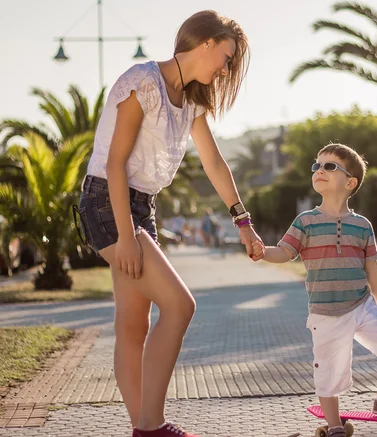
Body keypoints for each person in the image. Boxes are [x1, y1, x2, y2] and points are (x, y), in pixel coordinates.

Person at [75, 10, 265, 437]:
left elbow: (214, 163)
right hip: (108, 202)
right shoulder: (143, 81)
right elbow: (116, 163)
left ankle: (141, 427)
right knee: (180, 306)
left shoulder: (193, 100)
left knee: (132, 324)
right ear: (206, 43)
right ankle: (152, 427)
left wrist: (243, 221)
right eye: (226, 56)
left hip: (141, 206)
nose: (225, 67)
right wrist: (125, 235)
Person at [254, 144, 377, 437]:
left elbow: (372, 266)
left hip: (361, 304)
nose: (319, 171)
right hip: (325, 312)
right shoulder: (306, 221)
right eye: (316, 166)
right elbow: (284, 251)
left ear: (350, 182)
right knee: (328, 372)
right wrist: (262, 252)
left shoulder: (362, 225)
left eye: (330, 167)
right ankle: (335, 426)